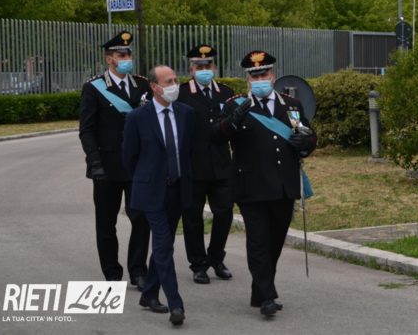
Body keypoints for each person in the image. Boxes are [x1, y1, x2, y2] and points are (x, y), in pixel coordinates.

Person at [213, 50, 317, 317]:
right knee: (258, 242)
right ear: (248, 79)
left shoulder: (291, 105)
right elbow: (216, 136)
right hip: (252, 187)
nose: (260, 79)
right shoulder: (236, 105)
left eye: (264, 74)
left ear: (272, 75)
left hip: (284, 186)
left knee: (275, 242)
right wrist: (233, 121)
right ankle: (268, 297)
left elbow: (306, 134)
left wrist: (306, 142)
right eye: (254, 75)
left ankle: (259, 290)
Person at [122, 65, 194, 326]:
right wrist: (145, 179)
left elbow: (189, 151)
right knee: (163, 246)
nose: (174, 85)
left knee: (165, 245)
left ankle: (149, 294)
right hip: (151, 191)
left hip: (177, 189)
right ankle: (176, 304)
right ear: (154, 87)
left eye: (175, 80)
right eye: (168, 81)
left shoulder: (186, 113)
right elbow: (128, 157)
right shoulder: (137, 117)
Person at [78, 31, 150, 290]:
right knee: (106, 222)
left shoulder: (142, 86)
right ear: (109, 59)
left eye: (128, 54)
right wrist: (94, 162)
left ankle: (138, 270)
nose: (126, 58)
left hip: (137, 165)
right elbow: (87, 130)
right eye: (121, 55)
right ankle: (111, 272)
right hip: (106, 167)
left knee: (141, 218)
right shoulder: (94, 88)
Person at [178, 45, 235, 284]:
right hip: (193, 166)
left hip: (221, 165)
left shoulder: (226, 93)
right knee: (192, 218)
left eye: (208, 65)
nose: (204, 69)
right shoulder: (181, 94)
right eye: (199, 66)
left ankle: (216, 257)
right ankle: (198, 264)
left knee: (225, 213)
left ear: (214, 67)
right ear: (191, 69)